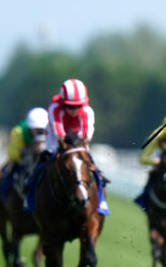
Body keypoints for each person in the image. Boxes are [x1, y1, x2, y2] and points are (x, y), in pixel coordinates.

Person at [26, 78, 109, 215]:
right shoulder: (54, 108)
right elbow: (59, 132)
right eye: (70, 106)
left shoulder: (87, 111)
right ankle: (30, 188)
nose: (74, 110)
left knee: (88, 160)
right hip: (55, 135)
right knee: (48, 154)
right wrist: (64, 146)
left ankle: (101, 199)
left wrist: (79, 145)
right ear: (63, 103)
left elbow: (86, 134)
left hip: (78, 135)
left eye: (78, 106)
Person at [0, 107, 49, 197]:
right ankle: (3, 192)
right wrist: (23, 153)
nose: (39, 133)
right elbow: (12, 152)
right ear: (30, 128)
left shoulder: (50, 129)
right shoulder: (19, 132)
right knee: (12, 173)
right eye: (36, 130)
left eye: (41, 130)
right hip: (23, 161)